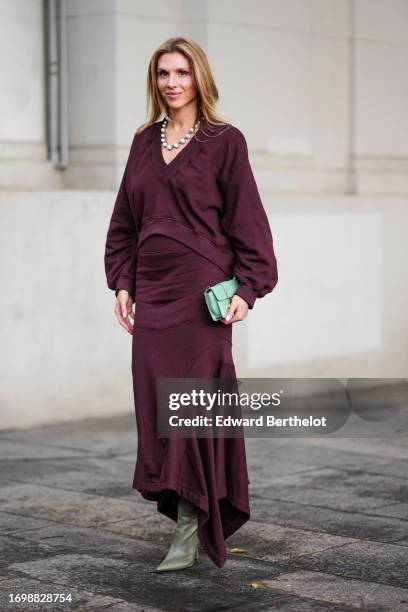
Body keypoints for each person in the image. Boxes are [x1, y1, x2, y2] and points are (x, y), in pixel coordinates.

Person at [104, 37, 278, 571]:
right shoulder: (141, 142)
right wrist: (123, 282)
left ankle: (188, 523)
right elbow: (125, 223)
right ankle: (184, 506)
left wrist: (248, 289)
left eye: (182, 72)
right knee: (159, 407)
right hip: (153, 294)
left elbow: (248, 221)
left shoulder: (226, 142)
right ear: (154, 81)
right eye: (163, 74)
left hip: (202, 298)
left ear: (200, 77)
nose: (173, 83)